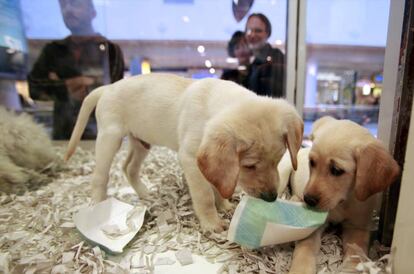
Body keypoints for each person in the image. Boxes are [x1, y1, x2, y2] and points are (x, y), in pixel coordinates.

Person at [28, 0, 124, 140]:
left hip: (100, 132)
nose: (68, 10)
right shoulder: (53, 50)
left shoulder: (110, 49)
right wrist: (72, 85)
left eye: (75, 4)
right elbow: (34, 88)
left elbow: (116, 93)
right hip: (63, 133)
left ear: (93, 12)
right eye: (63, 5)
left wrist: (59, 84)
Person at [245, 13, 285, 98]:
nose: (252, 35)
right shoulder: (253, 62)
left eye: (258, 31)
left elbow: (276, 98)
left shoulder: (276, 58)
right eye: (249, 30)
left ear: (268, 33)